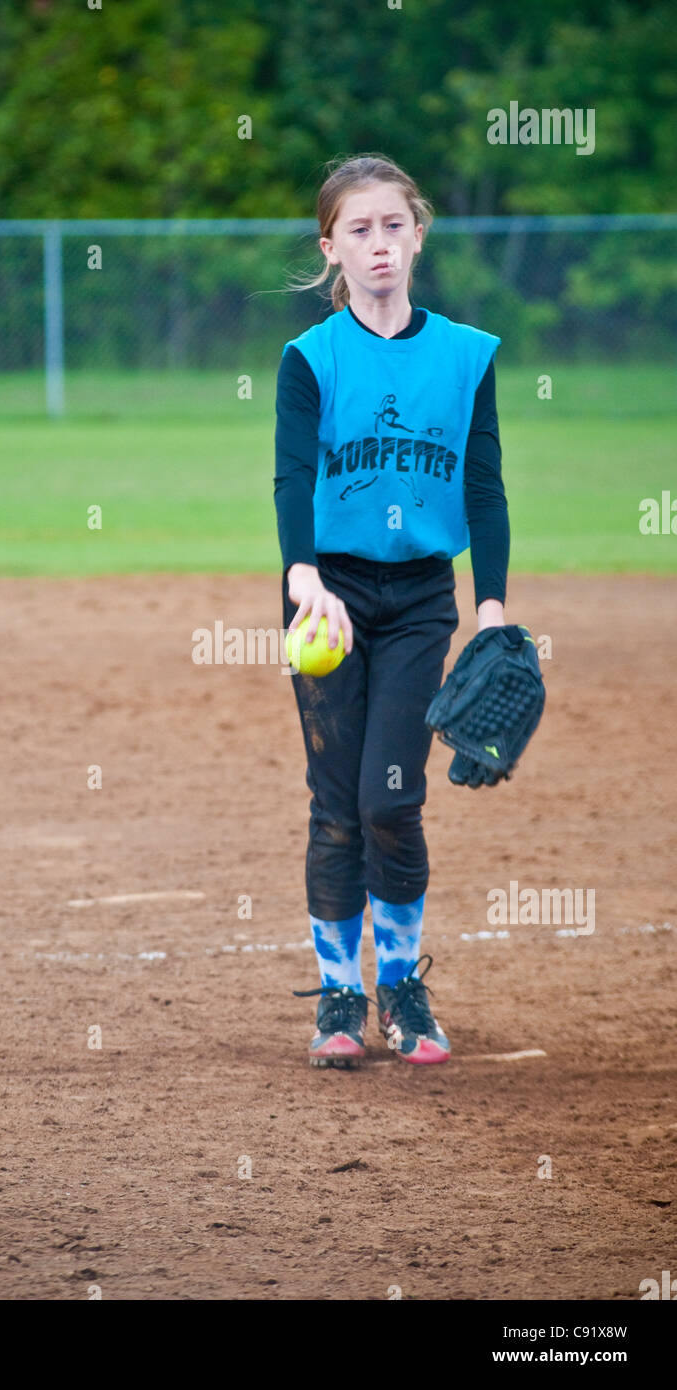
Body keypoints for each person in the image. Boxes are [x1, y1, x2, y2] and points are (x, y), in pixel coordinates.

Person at [274, 154, 509, 1067]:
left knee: (389, 799)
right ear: (331, 248)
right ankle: (339, 1000)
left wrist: (488, 606)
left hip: (417, 598)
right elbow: (293, 473)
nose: (378, 244)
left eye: (393, 225)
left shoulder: (464, 354)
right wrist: (299, 574)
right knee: (335, 807)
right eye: (357, 230)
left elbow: (482, 487)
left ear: (418, 233)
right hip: (325, 594)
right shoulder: (310, 358)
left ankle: (401, 988)